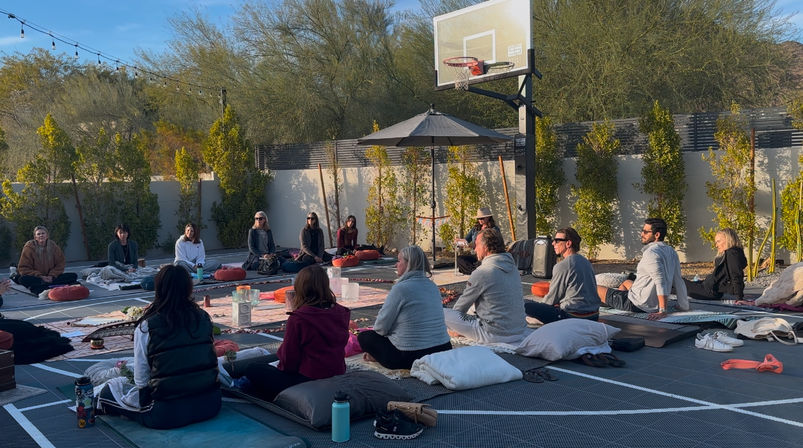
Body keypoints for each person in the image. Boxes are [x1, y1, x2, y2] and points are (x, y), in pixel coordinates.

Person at [95, 265, 221, 429]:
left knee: (109, 392)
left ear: (159, 289)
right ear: (189, 288)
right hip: (210, 405)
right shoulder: (204, 318)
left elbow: (141, 379)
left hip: (166, 414)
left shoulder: (148, 326)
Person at [245, 265, 350, 400]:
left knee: (252, 368)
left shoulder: (300, 318)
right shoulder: (342, 312)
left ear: (301, 288)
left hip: (307, 380)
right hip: (337, 373)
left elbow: (288, 361)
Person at [358, 246, 452, 369]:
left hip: (410, 355)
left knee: (365, 337)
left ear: (409, 263)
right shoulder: (432, 286)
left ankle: (376, 356)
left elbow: (380, 328)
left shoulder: (401, 289)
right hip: (443, 349)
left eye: (399, 260)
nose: (396, 264)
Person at [444, 228, 529, 343]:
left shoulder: (482, 272)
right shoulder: (513, 268)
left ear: (485, 247)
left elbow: (460, 308)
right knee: (474, 308)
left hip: (493, 333)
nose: (474, 248)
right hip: (518, 331)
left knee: (443, 313)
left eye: (476, 244)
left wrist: (455, 327)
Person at [596, 218, 690, 320]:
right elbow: (678, 279)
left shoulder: (651, 253)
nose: (642, 234)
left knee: (592, 287)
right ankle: (615, 301)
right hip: (650, 300)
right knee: (626, 282)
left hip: (637, 304)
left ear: (657, 235)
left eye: (646, 232)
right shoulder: (671, 251)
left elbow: (660, 281)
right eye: (642, 230)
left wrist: (662, 311)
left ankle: (616, 302)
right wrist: (684, 305)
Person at [525, 227, 600, 323]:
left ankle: (537, 320)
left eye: (556, 241)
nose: (553, 243)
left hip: (572, 316)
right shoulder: (586, 262)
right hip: (593, 315)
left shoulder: (563, 266)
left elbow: (551, 299)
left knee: (525, 304)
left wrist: (539, 311)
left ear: (568, 243)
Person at [684, 228, 747, 300]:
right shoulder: (733, 253)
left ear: (728, 239)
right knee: (678, 283)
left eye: (718, 241)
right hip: (709, 287)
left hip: (710, 291)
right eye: (716, 242)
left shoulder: (732, 253)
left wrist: (738, 297)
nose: (716, 245)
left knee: (677, 283)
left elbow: (736, 275)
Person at [14, 226, 78, 295]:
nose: (41, 235)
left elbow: (60, 264)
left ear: (47, 235)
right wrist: (40, 276)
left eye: (43, 233)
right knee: (22, 279)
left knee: (73, 276)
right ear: (35, 237)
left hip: (52, 277)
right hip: (38, 278)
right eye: (38, 234)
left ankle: (43, 287)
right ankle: (48, 285)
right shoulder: (29, 248)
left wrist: (51, 275)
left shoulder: (54, 246)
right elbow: (23, 268)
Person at [455, 207, 499, 275]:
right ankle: (475, 270)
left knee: (480, 263)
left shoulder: (494, 229)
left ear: (488, 218)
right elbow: (466, 239)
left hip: (487, 255)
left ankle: (474, 270)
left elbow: (493, 244)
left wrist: (475, 245)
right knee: (460, 259)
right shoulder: (475, 228)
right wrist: (459, 241)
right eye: (478, 218)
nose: (479, 220)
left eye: (482, 218)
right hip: (476, 255)